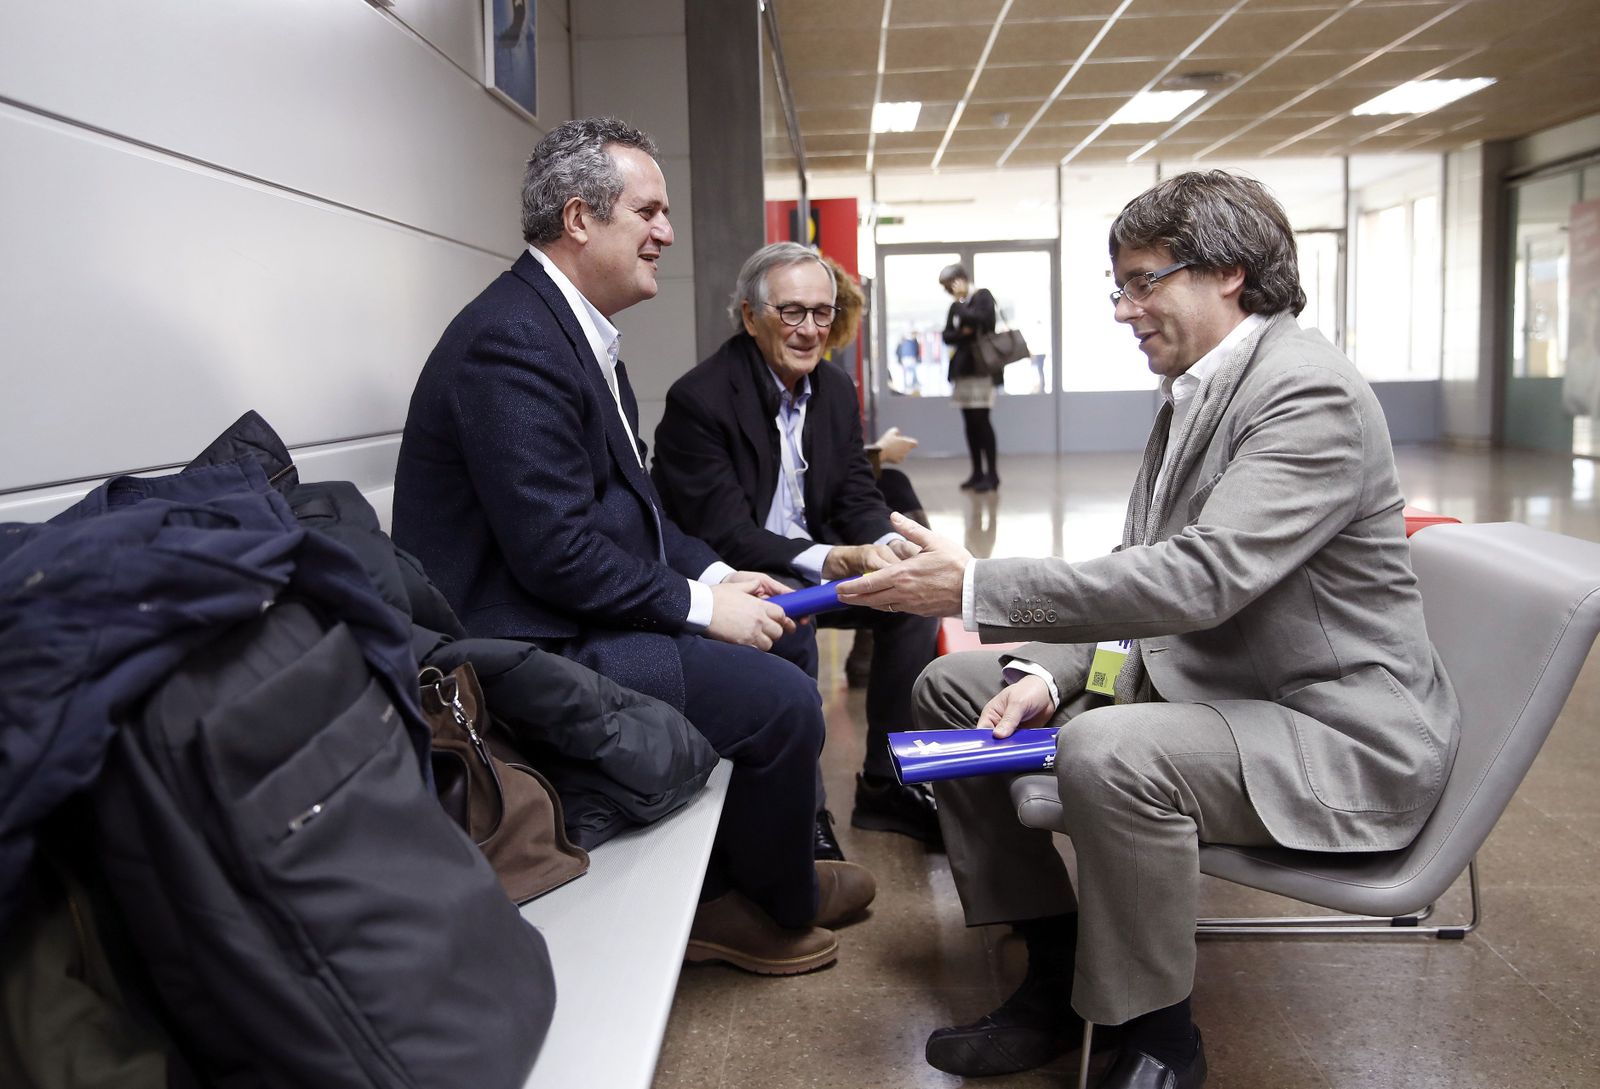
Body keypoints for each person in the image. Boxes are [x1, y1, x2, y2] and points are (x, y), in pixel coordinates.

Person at [839, 171, 1460, 1089]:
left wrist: (972, 582)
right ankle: (1053, 967)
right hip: (1213, 684)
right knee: (954, 691)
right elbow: (1146, 582)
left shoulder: (1307, 394)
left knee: (1110, 749)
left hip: (1332, 730)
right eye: (1119, 286)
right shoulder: (1198, 389)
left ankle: (1158, 1033)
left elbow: (1201, 579)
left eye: (1143, 282)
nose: (1126, 309)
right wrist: (1053, 677)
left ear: (1230, 274)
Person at [392, 118, 875, 977]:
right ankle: (762, 907)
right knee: (780, 704)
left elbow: (637, 515)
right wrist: (700, 607)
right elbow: (556, 553)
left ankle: (766, 873)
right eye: (648, 211)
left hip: (563, 611)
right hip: (527, 645)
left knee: (785, 630)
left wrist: (726, 575)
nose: (667, 233)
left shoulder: (571, 333)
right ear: (580, 219)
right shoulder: (511, 342)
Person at [652, 242, 943, 858]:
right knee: (791, 631)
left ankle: (886, 786)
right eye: (791, 313)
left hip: (812, 565)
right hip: (737, 578)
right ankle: (802, 816)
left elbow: (857, 495)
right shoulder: (698, 401)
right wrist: (833, 557)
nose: (810, 329)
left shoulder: (834, 390)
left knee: (915, 604)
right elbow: (726, 532)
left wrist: (888, 545)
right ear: (751, 315)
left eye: (822, 313)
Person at [939, 263, 1001, 492]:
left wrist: (960, 306)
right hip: (963, 371)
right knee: (969, 424)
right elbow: (946, 335)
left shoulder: (982, 296)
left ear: (961, 279)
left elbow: (983, 322)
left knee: (982, 422)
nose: (949, 293)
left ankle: (992, 474)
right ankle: (977, 472)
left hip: (981, 370)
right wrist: (963, 331)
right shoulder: (958, 306)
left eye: (950, 286)